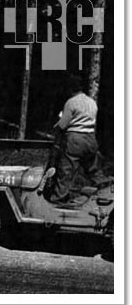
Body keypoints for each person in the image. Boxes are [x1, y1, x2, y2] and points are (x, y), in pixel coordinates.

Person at [49, 74, 103, 207]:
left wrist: (56, 125)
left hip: (75, 140)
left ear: (70, 89)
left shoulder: (71, 102)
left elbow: (63, 125)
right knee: (93, 170)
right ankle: (105, 192)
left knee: (66, 171)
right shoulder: (91, 102)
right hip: (91, 139)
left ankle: (57, 201)